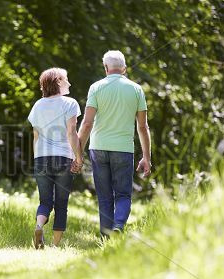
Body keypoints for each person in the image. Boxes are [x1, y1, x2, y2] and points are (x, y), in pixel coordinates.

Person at [77, 50, 152, 237]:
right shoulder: (136, 90)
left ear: (105, 68)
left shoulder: (96, 88)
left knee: (104, 197)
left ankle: (106, 236)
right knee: (123, 195)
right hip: (123, 150)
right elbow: (142, 127)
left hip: (98, 148)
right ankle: (118, 225)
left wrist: (77, 152)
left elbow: (86, 124)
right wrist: (146, 157)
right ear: (124, 69)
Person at [27, 67, 82, 249]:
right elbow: (71, 132)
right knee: (61, 203)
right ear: (58, 81)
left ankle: (38, 226)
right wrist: (78, 157)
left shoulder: (37, 105)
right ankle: (55, 246)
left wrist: (37, 160)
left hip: (41, 158)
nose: (70, 83)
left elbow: (35, 136)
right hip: (63, 158)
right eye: (66, 79)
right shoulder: (70, 103)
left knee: (45, 201)